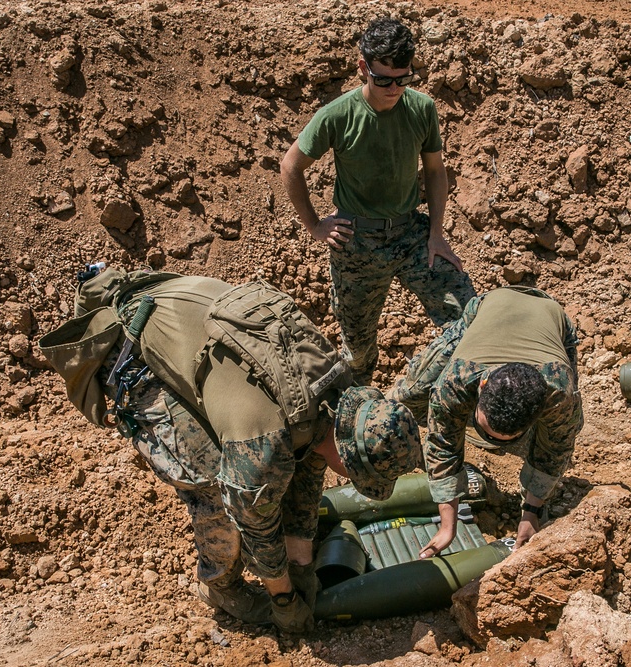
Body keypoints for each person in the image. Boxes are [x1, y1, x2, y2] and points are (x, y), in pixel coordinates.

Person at [39, 268, 422, 634]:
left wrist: (301, 559)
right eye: (359, 474)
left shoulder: (339, 392)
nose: (354, 480)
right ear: (348, 453)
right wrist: (284, 596)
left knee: (272, 476)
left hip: (185, 321)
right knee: (213, 489)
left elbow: (311, 464)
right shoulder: (264, 443)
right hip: (134, 352)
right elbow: (253, 517)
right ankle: (218, 586)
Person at [280, 15, 475, 385]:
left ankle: (434, 392)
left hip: (411, 233)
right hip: (358, 243)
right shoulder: (338, 115)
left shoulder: (421, 109)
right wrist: (315, 226)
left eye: (403, 79)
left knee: (469, 316)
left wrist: (436, 232)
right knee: (358, 349)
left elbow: (435, 171)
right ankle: (360, 408)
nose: (393, 88)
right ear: (362, 68)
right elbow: (290, 166)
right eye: (383, 79)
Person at [388, 286, 584, 556]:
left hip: (552, 319)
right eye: (485, 430)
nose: (490, 443)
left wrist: (531, 512)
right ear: (481, 386)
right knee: (411, 392)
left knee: (569, 426)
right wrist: (448, 524)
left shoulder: (559, 392)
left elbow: (555, 450)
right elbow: (442, 444)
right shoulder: (456, 380)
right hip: (490, 307)